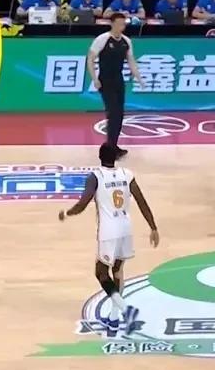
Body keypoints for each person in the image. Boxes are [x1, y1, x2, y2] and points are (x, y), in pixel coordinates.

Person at [58, 143, 159, 334]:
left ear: (99, 157)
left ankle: (126, 310)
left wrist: (67, 213)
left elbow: (82, 204)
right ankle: (113, 318)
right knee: (118, 271)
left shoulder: (95, 176)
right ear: (116, 158)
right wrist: (153, 227)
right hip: (126, 228)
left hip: (108, 231)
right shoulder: (127, 175)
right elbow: (142, 201)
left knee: (101, 273)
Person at [87, 14, 146, 160]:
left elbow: (131, 61)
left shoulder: (126, 41)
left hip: (118, 80)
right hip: (105, 80)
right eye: (119, 24)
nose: (122, 27)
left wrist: (139, 78)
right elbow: (90, 59)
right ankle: (110, 148)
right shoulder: (102, 39)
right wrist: (94, 79)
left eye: (123, 24)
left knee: (119, 115)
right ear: (112, 24)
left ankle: (113, 145)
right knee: (112, 114)